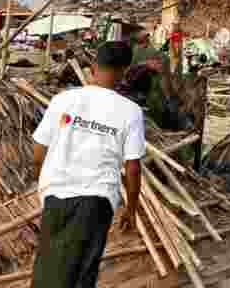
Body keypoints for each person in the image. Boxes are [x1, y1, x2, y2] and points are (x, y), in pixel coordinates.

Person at [31, 41, 145, 288]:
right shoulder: (131, 111)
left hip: (55, 193)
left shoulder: (63, 100)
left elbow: (39, 150)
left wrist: (43, 178)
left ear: (93, 67)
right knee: (81, 272)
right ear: (124, 71)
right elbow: (133, 167)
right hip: (96, 199)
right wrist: (131, 209)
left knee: (48, 265)